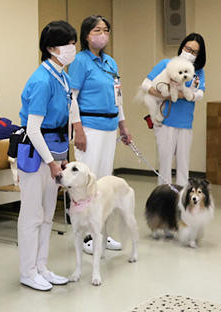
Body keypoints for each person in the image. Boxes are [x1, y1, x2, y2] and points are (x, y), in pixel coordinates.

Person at [15, 21, 79, 291]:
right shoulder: (41, 80)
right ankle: (27, 271)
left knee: (47, 216)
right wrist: (52, 162)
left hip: (55, 152)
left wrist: (62, 156)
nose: (73, 48)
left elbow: (62, 120)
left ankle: (41, 266)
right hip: (36, 154)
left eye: (74, 42)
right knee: (31, 215)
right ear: (51, 48)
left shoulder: (62, 76)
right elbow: (33, 128)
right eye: (68, 43)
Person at [67, 14, 133, 254]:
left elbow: (118, 97)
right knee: (86, 183)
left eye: (105, 30)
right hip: (89, 127)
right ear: (86, 35)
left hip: (109, 127)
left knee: (104, 182)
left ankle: (101, 234)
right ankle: (86, 237)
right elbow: (71, 98)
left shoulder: (110, 63)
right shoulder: (80, 61)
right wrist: (78, 130)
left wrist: (123, 125)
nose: (102, 34)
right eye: (97, 30)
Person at [143, 32, 207, 187]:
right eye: (187, 48)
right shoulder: (166, 63)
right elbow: (146, 84)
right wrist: (165, 95)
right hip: (166, 121)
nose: (189, 53)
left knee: (183, 164)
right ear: (182, 47)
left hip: (185, 123)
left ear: (199, 55)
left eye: (194, 52)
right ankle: (163, 196)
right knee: (165, 163)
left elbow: (200, 93)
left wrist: (184, 95)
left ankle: (182, 199)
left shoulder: (198, 72)